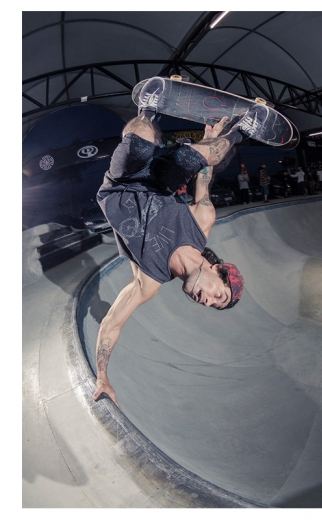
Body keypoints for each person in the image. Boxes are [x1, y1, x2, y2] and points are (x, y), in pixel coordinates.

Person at [92, 77, 262, 408]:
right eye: (219, 295)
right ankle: (242, 128)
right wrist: (210, 143)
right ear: (219, 269)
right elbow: (203, 181)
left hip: (120, 185)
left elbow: (112, 323)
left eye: (213, 306)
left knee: (138, 147)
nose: (208, 301)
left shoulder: (149, 281)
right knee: (189, 162)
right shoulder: (202, 225)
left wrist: (103, 376)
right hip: (160, 180)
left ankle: (146, 114)